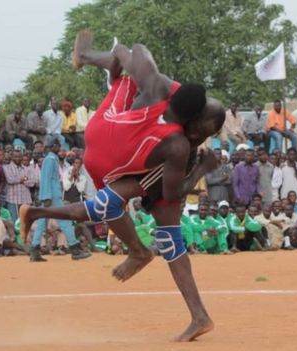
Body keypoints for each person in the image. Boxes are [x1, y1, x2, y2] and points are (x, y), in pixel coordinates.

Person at [20, 31, 224, 341]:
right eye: (201, 130)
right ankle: (137, 252)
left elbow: (171, 195)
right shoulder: (157, 90)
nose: (202, 137)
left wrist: (199, 170)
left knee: (164, 233)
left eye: (206, 135)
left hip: (152, 161)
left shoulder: (180, 141)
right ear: (192, 117)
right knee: (107, 205)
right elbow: (133, 52)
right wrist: (115, 57)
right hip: (130, 154)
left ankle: (198, 314)